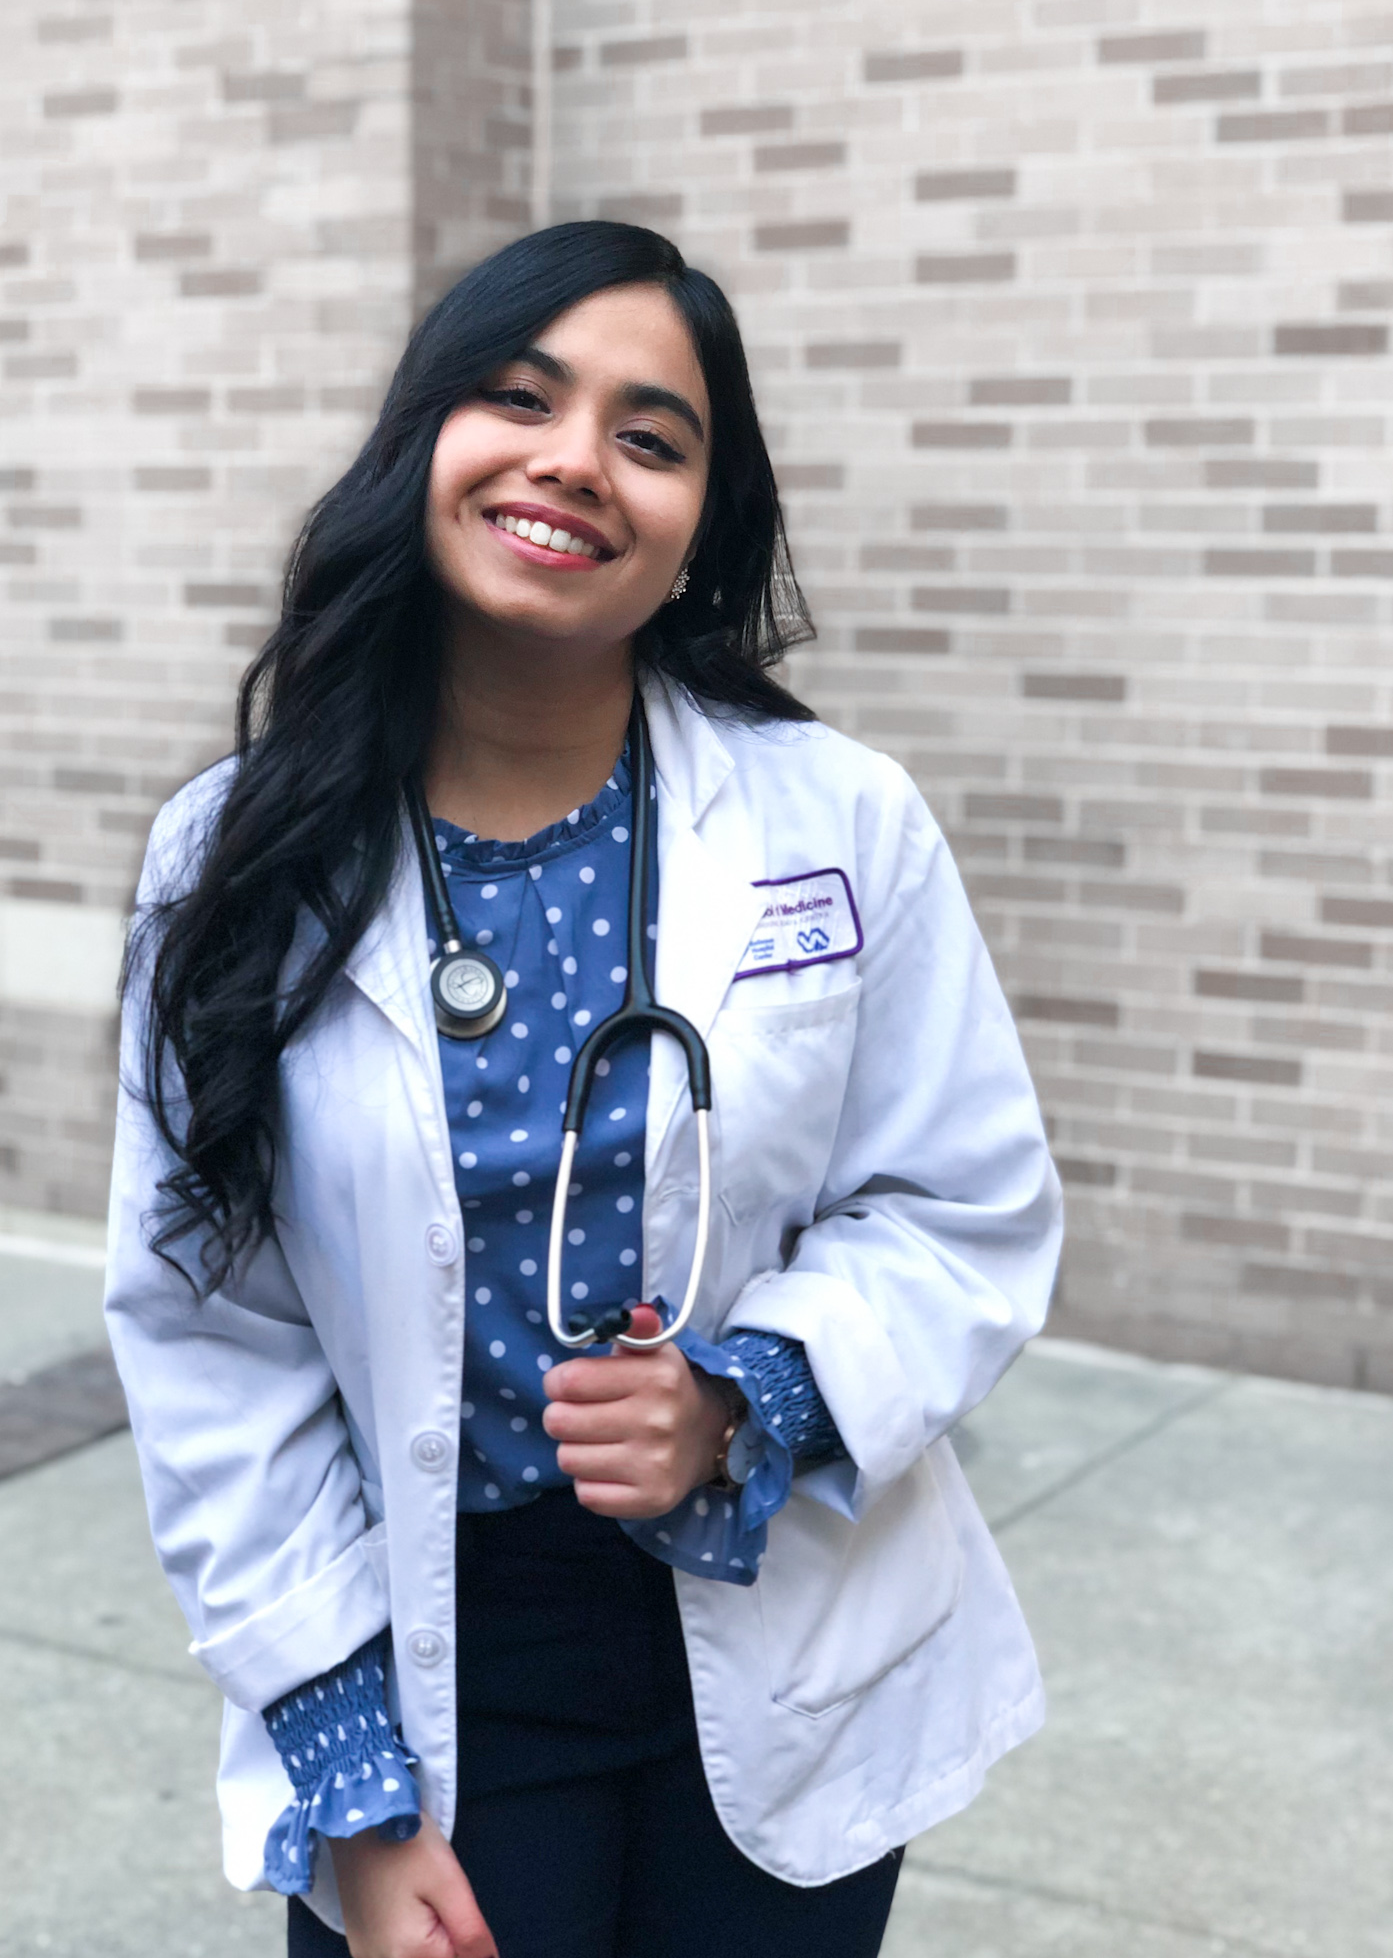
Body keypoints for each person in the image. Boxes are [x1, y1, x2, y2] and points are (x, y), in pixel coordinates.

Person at [105, 221, 1062, 1958]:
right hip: (430, 1657)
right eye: (517, 396)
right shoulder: (230, 858)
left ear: (705, 523)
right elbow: (209, 1340)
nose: (574, 462)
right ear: (425, 444)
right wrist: (350, 1787)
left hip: (788, 1608)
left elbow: (961, 1206)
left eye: (651, 434)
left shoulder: (835, 820)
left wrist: (741, 1396)